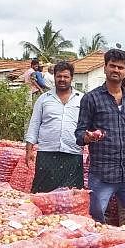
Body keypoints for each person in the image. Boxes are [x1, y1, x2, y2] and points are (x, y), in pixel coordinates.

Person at [74, 48, 125, 224]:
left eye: (120, 67)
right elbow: (79, 134)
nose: (116, 70)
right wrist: (88, 137)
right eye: (112, 66)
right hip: (102, 174)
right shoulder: (91, 98)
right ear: (105, 68)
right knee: (96, 220)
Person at [25, 60, 84, 192]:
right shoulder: (43, 99)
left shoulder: (82, 99)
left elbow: (88, 126)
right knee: (42, 195)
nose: (62, 79)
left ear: (71, 78)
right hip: (47, 153)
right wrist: (29, 150)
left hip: (72, 153)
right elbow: (34, 124)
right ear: (55, 77)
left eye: (66, 76)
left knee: (71, 197)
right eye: (59, 76)